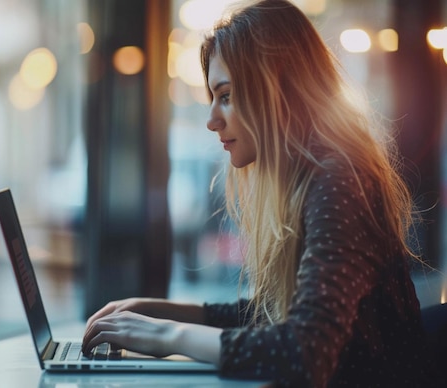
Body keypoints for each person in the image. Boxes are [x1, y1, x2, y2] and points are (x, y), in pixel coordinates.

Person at [82, 0, 438, 386]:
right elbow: (273, 315)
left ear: (278, 87)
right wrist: (163, 313)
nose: (212, 120)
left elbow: (304, 352)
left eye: (227, 95)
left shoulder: (340, 181)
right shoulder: (311, 178)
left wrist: (168, 336)